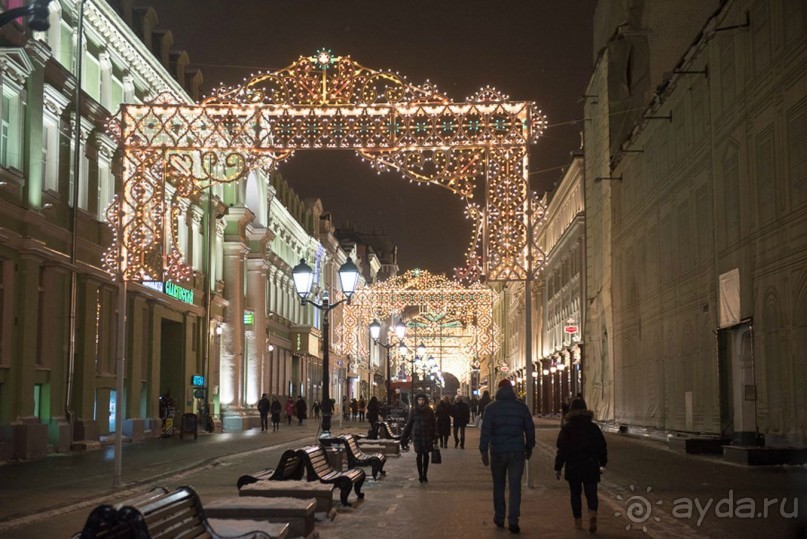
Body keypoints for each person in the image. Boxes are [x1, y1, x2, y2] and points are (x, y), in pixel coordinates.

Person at [479, 379, 536, 534]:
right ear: (512, 389)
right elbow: (530, 429)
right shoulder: (521, 407)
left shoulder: (490, 408)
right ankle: (513, 520)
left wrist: (483, 450)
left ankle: (499, 516)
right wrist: (529, 446)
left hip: (497, 451)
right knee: (515, 486)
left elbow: (486, 431)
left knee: (499, 485)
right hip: (517, 451)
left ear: (498, 390)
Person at [554, 397, 608, 533]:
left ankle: (578, 522)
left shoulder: (567, 429)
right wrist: (602, 463)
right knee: (591, 492)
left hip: (573, 466)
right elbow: (602, 446)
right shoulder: (593, 428)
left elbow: (562, 450)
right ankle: (592, 513)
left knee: (575, 493)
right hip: (590, 464)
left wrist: (558, 467)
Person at [401, 393, 437, 483]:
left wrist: (436, 435)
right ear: (417, 401)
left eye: (422, 400)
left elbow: (434, 424)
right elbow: (409, 424)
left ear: (425, 401)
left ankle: (425, 474)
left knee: (426, 455)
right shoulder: (414, 411)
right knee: (419, 455)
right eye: (419, 400)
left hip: (427, 436)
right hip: (417, 436)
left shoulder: (429, 411)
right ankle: (420, 475)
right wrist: (404, 436)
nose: (421, 401)